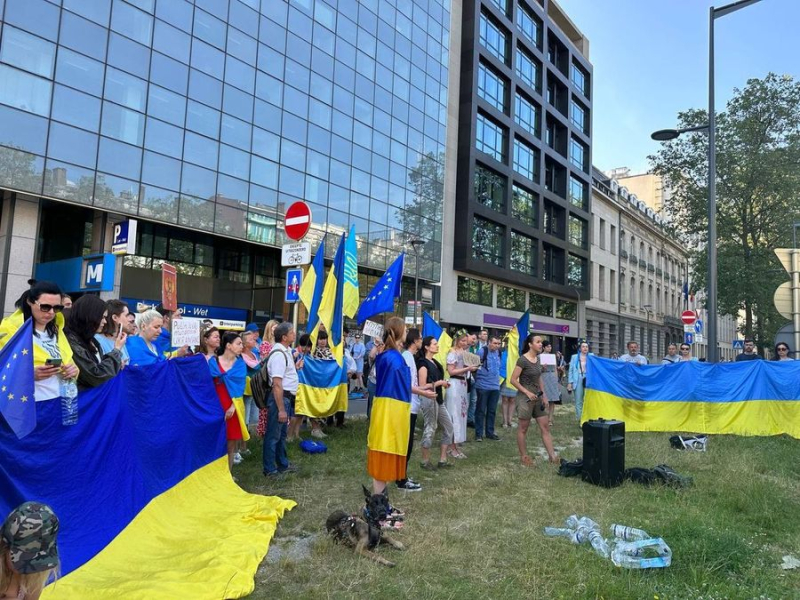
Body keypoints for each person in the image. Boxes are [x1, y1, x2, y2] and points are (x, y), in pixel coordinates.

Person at [0, 280, 79, 406]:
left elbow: (69, 361)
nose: (51, 312)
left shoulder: (57, 330)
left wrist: (73, 371)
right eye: (45, 307)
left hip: (60, 402)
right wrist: (29, 374)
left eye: (57, 308)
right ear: (30, 302)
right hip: (24, 406)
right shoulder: (9, 331)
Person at [367, 317, 411, 495]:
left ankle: (381, 499)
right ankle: (379, 502)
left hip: (390, 409)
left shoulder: (390, 356)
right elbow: (396, 385)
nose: (407, 332)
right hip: (390, 410)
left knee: (385, 449)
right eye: (406, 329)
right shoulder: (393, 358)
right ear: (399, 332)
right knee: (384, 450)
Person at [510, 334, 558, 467]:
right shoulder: (522, 360)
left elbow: (539, 378)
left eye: (541, 342)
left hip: (537, 397)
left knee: (545, 426)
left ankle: (552, 456)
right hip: (525, 398)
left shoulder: (537, 360)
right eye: (537, 342)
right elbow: (513, 380)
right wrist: (527, 392)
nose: (540, 344)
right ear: (530, 344)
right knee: (523, 429)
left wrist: (544, 395)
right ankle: (524, 457)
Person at [0, 502, 60, 600]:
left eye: (39, 561)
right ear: (5, 546)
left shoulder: (36, 575)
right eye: (24, 558)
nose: (30, 567)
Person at [396, 329, 432, 492]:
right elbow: (407, 384)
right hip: (407, 406)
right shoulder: (406, 357)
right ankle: (401, 479)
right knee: (406, 444)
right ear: (415, 341)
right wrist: (423, 391)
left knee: (408, 444)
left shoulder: (410, 357)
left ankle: (402, 475)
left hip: (412, 405)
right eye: (420, 339)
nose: (421, 342)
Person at [65, 295, 125, 390]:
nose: (105, 321)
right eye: (102, 317)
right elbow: (95, 375)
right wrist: (116, 351)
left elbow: (97, 365)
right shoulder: (71, 342)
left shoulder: (92, 340)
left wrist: (115, 362)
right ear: (90, 316)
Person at [209, 332, 248, 472]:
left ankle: (229, 475)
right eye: (239, 343)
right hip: (215, 406)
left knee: (231, 444)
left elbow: (240, 388)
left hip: (233, 407)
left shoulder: (241, 365)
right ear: (228, 346)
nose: (242, 346)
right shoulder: (213, 362)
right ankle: (215, 475)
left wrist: (232, 407)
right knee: (215, 443)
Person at [263, 322, 299, 477]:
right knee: (273, 436)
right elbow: (277, 384)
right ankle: (270, 469)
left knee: (281, 435)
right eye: (292, 332)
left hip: (285, 398)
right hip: (280, 400)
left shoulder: (285, 351)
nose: (294, 334)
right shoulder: (278, 355)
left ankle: (282, 464)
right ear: (284, 337)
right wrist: (282, 409)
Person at [417, 336, 454, 469]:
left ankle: (442, 460)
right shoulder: (422, 363)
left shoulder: (434, 362)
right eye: (434, 344)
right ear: (426, 347)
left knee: (449, 426)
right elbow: (422, 385)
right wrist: (440, 383)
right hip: (428, 398)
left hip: (438, 398)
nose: (437, 346)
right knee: (430, 427)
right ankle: (425, 461)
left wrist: (442, 384)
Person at [445, 331, 477, 458]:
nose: (464, 343)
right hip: (455, 384)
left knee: (461, 414)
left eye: (465, 341)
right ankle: (452, 447)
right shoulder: (452, 352)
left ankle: (455, 445)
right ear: (456, 340)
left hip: (463, 384)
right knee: (454, 416)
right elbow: (451, 371)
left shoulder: (465, 353)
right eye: (462, 341)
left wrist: (472, 367)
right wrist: (467, 369)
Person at [474, 335, 502, 441]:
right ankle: (479, 434)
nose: (497, 346)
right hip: (483, 385)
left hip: (495, 386)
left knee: (492, 410)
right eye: (495, 343)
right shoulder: (482, 352)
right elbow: (475, 367)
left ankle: (490, 432)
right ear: (489, 342)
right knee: (480, 410)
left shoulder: (499, 353)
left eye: (499, 344)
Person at [239, 329, 261, 457]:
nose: (255, 341)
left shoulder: (254, 354)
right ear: (245, 343)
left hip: (253, 388)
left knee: (251, 417)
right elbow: (256, 367)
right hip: (246, 389)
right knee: (244, 418)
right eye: (251, 339)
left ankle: (244, 444)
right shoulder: (242, 356)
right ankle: (241, 447)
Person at [287, 334, 312, 441]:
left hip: (304, 388)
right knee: (293, 414)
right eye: (308, 347)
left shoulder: (309, 356)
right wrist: (296, 364)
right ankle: (289, 435)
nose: (310, 349)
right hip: (294, 388)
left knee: (301, 413)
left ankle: (297, 434)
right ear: (302, 346)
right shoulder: (294, 353)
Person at [95, 299, 133, 365]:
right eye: (126, 315)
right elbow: (100, 369)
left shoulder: (120, 339)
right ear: (115, 317)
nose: (129, 319)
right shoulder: (97, 340)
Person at [567, 341, 592, 421]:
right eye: (583, 346)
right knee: (578, 400)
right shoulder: (574, 357)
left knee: (588, 399)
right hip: (577, 378)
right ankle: (580, 419)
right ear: (580, 348)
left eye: (586, 347)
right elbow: (570, 370)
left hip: (588, 378)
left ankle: (588, 417)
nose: (585, 348)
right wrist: (570, 382)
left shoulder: (591, 356)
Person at [499, 343, 517, 429]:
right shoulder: (503, 353)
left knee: (513, 399)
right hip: (505, 378)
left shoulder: (517, 354)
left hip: (514, 378)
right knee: (505, 399)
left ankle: (510, 420)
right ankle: (505, 421)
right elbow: (501, 366)